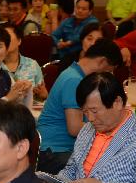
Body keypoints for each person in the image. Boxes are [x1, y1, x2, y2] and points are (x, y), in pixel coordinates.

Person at [37, 38, 123, 173]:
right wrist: (108, 127)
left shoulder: (74, 73)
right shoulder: (74, 80)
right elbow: (75, 128)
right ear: (102, 61)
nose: (109, 75)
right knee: (107, 170)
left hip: (57, 148)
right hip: (55, 151)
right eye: (110, 71)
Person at [3, 23, 47, 101]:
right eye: (1, 37)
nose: (4, 40)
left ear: (19, 40)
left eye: (8, 36)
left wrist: (43, 95)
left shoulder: (32, 65)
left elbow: (42, 97)